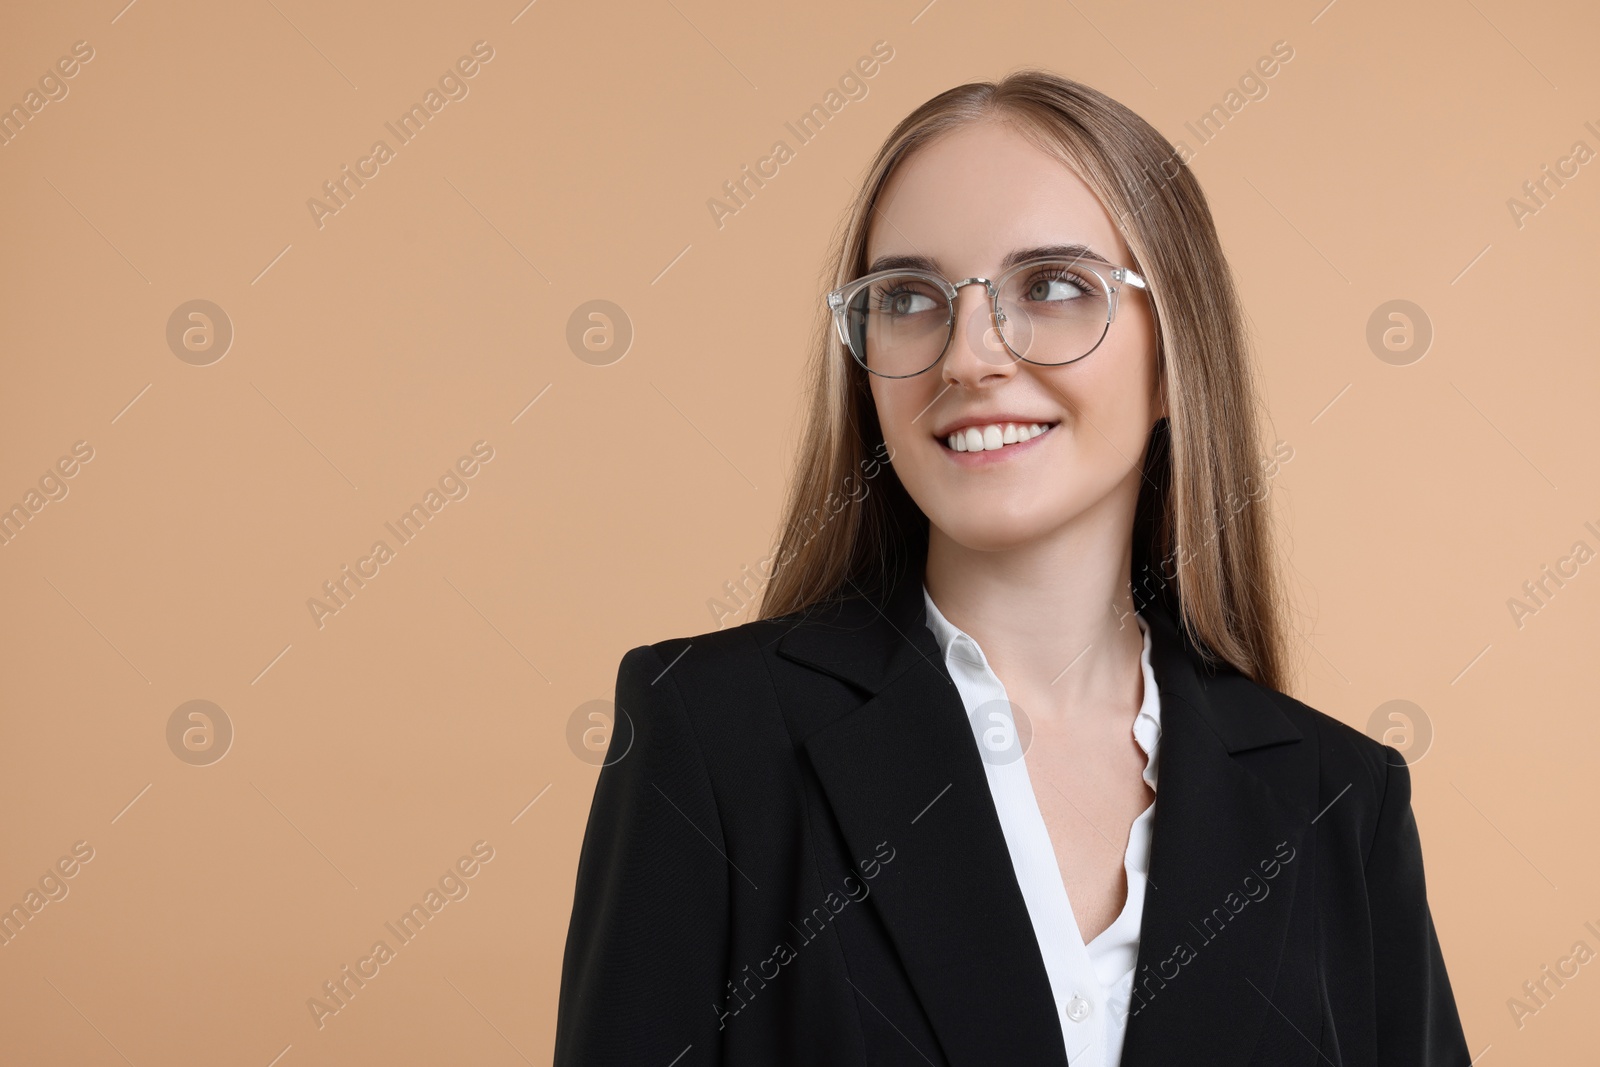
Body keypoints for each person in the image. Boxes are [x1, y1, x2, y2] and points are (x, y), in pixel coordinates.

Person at [554, 69, 1471, 1066]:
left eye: (1053, 286)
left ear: (1173, 355)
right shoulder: (712, 734)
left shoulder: (1340, 797)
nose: (968, 356)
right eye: (908, 298)